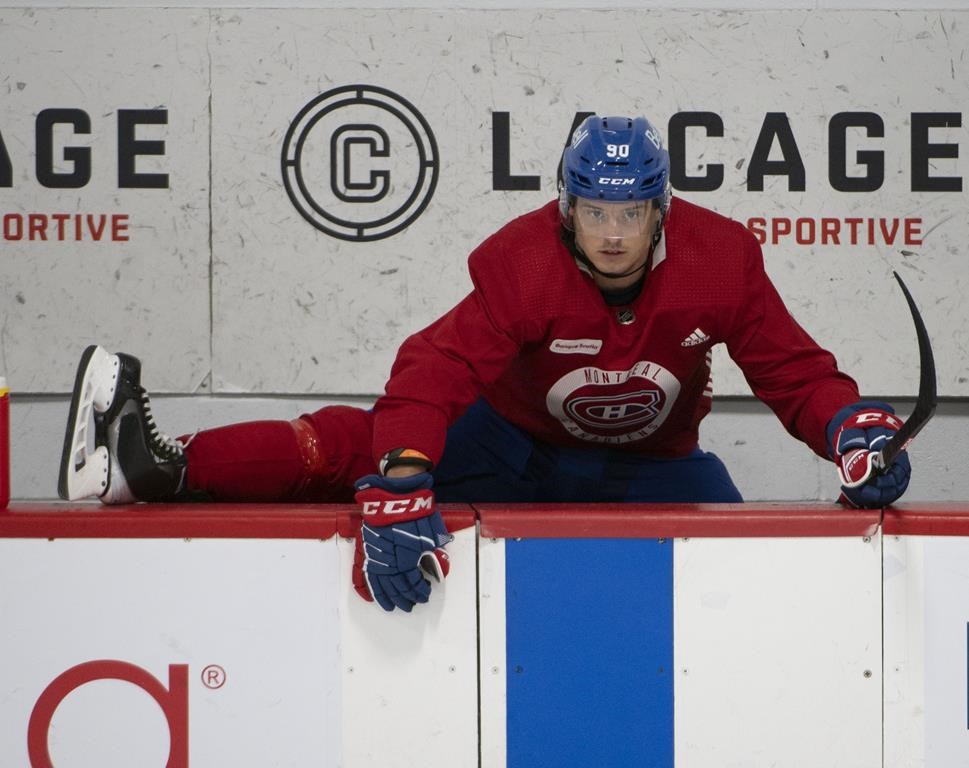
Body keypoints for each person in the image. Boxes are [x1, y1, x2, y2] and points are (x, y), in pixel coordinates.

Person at [58, 114, 911, 612]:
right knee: (362, 447)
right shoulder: (521, 262)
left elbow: (793, 371)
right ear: (563, 206)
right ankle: (153, 469)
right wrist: (402, 476)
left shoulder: (719, 262)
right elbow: (433, 369)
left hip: (653, 469)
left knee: (735, 579)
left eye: (631, 213)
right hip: (511, 444)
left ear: (663, 210)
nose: (611, 233)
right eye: (593, 210)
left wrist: (849, 430)